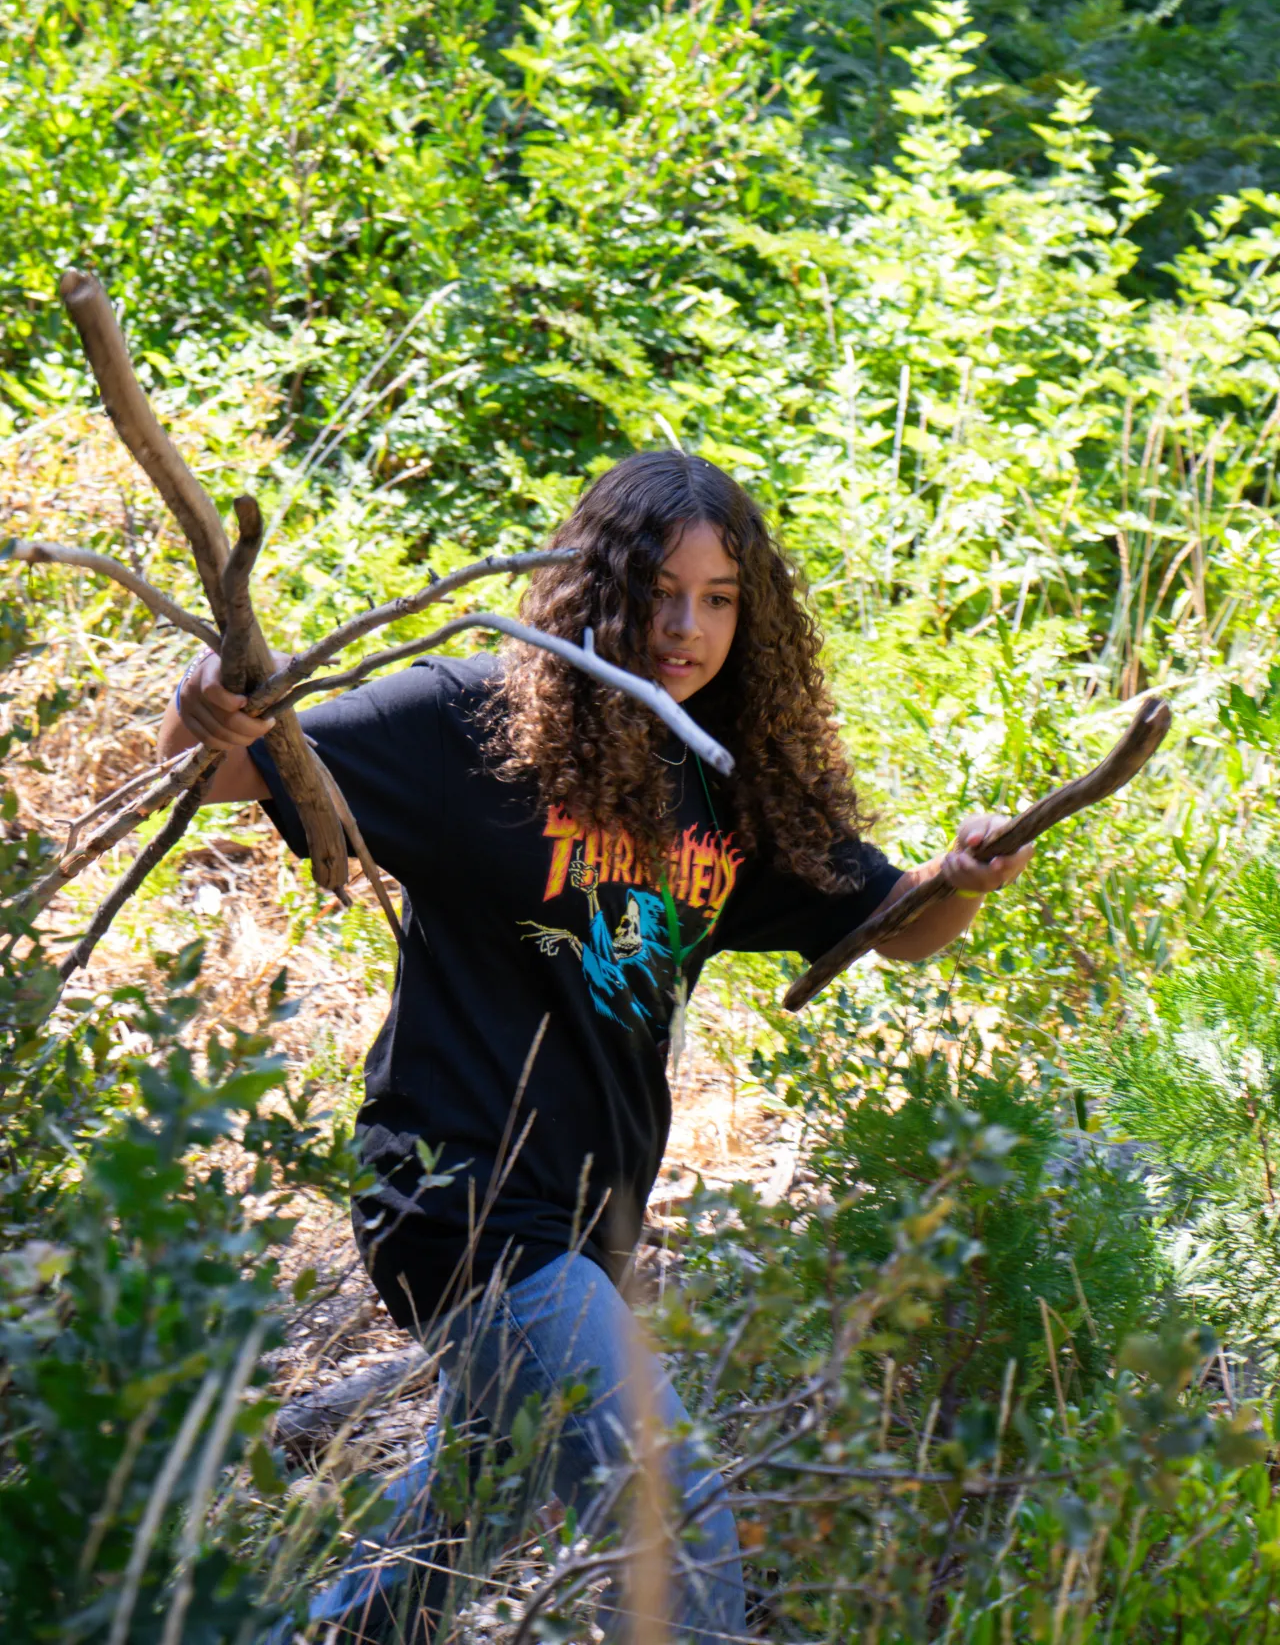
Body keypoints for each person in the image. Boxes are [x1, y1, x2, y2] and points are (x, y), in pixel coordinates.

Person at [158, 452, 1032, 1642]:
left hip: (589, 1224)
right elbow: (213, 768)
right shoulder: (468, 722)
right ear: (593, 586)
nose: (685, 629)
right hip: (462, 1199)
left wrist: (962, 880)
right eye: (657, 593)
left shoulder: (727, 777)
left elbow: (896, 927)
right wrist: (206, 700)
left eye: (718, 599)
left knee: (440, 1549)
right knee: (675, 1537)